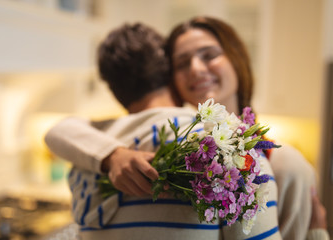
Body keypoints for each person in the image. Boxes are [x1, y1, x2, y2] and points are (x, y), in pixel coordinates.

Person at [46, 17, 329, 239]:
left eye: (209, 55)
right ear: (169, 76)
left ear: (236, 60)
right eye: (182, 63)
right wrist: (113, 156)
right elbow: (62, 130)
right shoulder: (161, 139)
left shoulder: (282, 163)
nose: (195, 69)